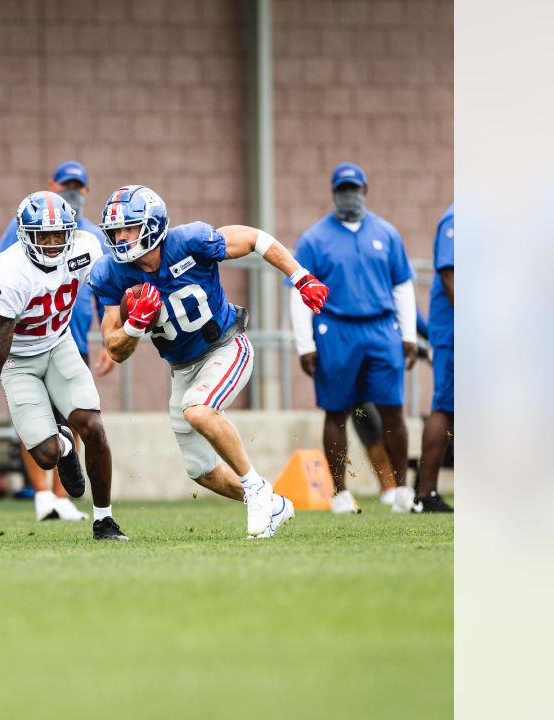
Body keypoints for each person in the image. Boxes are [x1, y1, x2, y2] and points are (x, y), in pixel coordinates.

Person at [90, 185, 316, 539]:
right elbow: (115, 348)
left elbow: (254, 238)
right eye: (115, 230)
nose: (120, 237)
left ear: (152, 225)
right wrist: (135, 324)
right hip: (182, 367)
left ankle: (256, 488)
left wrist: (300, 276)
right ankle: (272, 503)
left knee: (198, 409)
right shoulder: (111, 275)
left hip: (226, 346)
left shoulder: (190, 241)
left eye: (129, 228)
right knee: (201, 471)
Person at [0, 191, 127, 541]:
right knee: (47, 455)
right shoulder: (8, 274)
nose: (52, 243)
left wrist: (126, 319)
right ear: (25, 235)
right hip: (18, 360)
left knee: (93, 426)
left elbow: (116, 285)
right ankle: (63, 446)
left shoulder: (87, 247)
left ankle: (104, 520)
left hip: (59, 343)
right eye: (42, 235)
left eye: (59, 234)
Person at [0, 161, 110, 522]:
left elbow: (104, 288)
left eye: (77, 185)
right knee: (34, 416)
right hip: (26, 339)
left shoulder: (89, 236)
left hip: (71, 333)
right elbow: (0, 282)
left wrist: (109, 337)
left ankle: (62, 494)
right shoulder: (26, 227)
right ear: (51, 184)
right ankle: (41, 493)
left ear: (86, 190)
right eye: (65, 183)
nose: (71, 189)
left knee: (76, 414)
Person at [289, 162, 419, 514]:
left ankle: (403, 490)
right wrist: (306, 344)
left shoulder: (387, 234)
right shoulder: (314, 239)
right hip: (336, 330)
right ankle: (340, 492)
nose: (350, 195)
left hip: (380, 329)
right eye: (343, 189)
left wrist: (408, 335)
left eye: (355, 189)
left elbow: (402, 286)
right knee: (337, 411)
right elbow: (300, 291)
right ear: (334, 193)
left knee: (392, 410)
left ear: (365, 191)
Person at [415, 203, 454, 513]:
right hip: (457, 333)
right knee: (445, 407)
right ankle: (425, 493)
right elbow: (451, 275)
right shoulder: (456, 218)